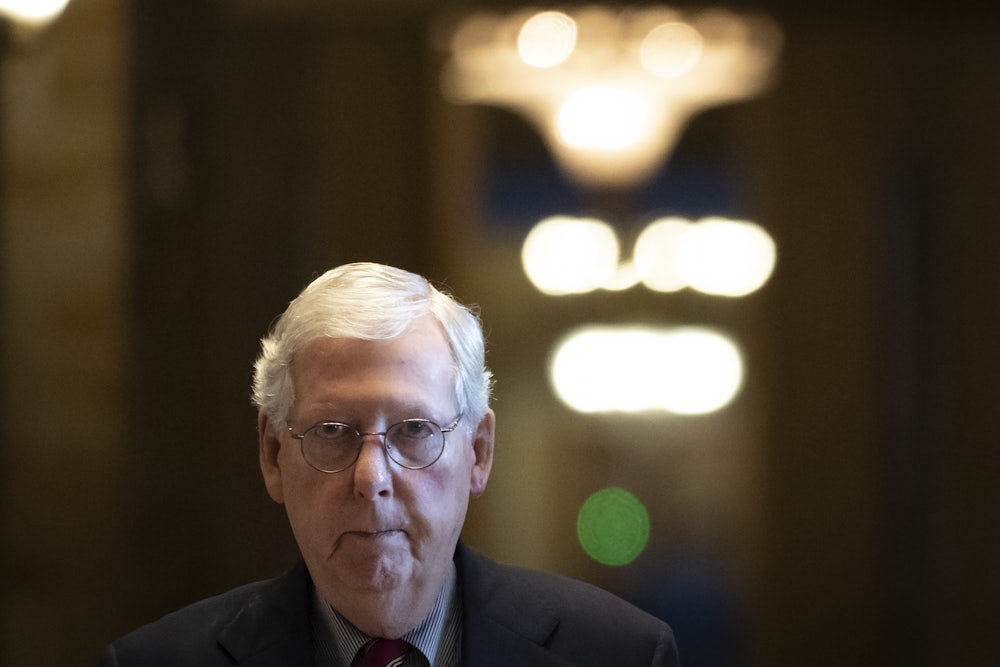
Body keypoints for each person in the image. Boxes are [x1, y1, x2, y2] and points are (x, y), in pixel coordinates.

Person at [100, 262, 681, 666]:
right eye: (332, 431)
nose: (371, 477)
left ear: (478, 452)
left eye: (413, 431)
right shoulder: (157, 662)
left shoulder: (620, 654)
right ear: (273, 453)